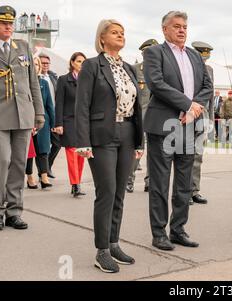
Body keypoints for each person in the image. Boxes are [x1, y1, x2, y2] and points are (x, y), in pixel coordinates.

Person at [75, 19, 144, 273]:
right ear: (102, 38)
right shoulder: (92, 66)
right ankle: (101, 250)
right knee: (107, 191)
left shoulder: (128, 68)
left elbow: (138, 107)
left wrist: (139, 140)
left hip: (127, 132)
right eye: (115, 32)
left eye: (123, 32)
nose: (120, 35)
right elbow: (81, 105)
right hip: (101, 134)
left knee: (120, 193)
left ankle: (114, 243)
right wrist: (82, 141)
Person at [143, 11, 213, 251]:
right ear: (165, 30)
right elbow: (156, 83)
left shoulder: (195, 56)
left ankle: (178, 229)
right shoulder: (153, 53)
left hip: (189, 125)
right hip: (163, 126)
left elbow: (207, 86)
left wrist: (193, 109)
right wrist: (186, 104)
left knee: (184, 183)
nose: (182, 30)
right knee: (160, 182)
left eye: (184, 26)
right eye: (176, 26)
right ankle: (158, 233)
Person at [0, 5, 45, 231]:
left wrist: (39, 113)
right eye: (3, 23)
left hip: (23, 113)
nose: (8, 26)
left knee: (18, 164)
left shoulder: (23, 46)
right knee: (1, 162)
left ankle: (14, 211)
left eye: (10, 23)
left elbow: (33, 83)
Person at [126, 39, 158, 194]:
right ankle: (128, 180)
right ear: (143, 54)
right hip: (140, 117)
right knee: (137, 151)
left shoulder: (161, 71)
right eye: (148, 52)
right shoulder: (134, 69)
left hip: (158, 118)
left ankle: (150, 182)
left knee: (154, 153)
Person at [54, 52, 87, 197]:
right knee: (72, 153)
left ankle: (77, 182)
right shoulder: (63, 80)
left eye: (83, 62)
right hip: (68, 121)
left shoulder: (87, 80)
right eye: (79, 61)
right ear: (72, 63)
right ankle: (75, 185)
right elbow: (59, 103)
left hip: (83, 122)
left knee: (81, 153)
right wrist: (59, 123)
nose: (81, 64)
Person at [190, 41, 214, 205]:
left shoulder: (210, 69)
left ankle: (194, 190)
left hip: (203, 115)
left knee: (197, 156)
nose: (204, 60)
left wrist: (210, 118)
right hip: (188, 113)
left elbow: (210, 96)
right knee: (184, 155)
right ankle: (183, 191)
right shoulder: (188, 66)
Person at [29, 55, 55, 189]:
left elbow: (49, 104)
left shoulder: (43, 83)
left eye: (37, 65)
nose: (35, 67)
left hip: (43, 122)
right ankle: (30, 177)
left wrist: (54, 123)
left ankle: (44, 177)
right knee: (29, 152)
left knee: (43, 151)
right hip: (26, 121)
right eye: (33, 64)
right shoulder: (24, 82)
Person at [39, 54, 60, 179]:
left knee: (57, 144)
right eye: (43, 63)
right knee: (43, 146)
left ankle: (48, 167)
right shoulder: (36, 78)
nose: (45, 65)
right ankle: (44, 171)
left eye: (47, 63)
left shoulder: (53, 77)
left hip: (54, 114)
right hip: (43, 116)